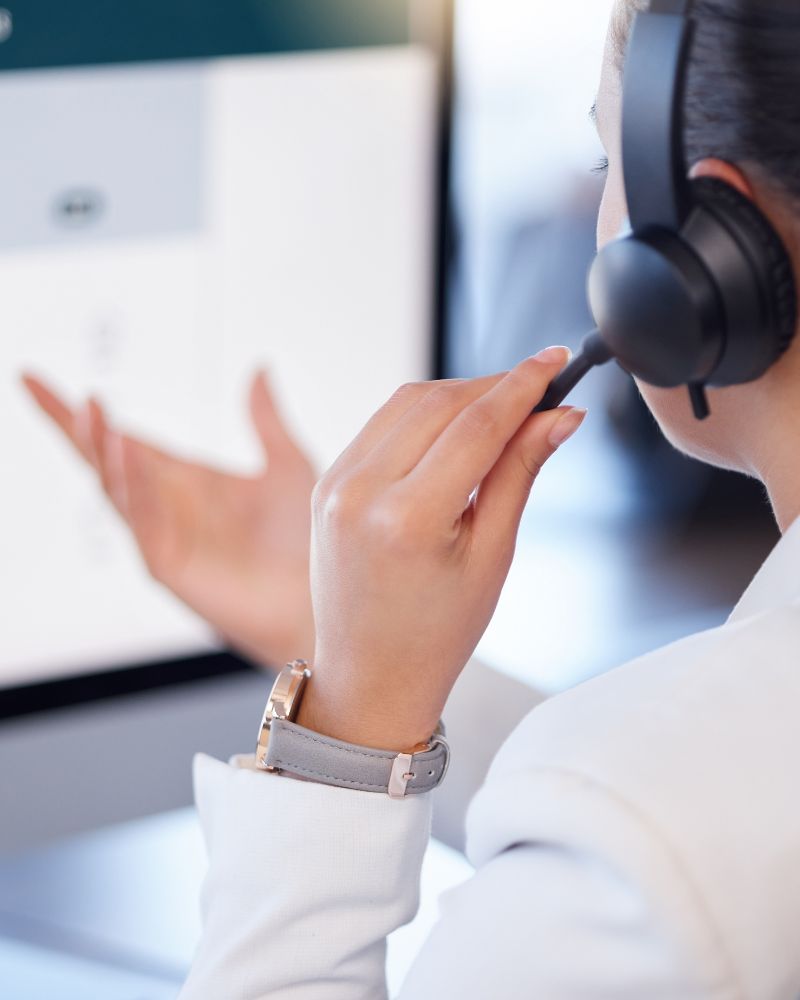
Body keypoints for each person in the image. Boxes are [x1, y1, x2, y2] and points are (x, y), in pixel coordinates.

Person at [25, 0, 800, 995]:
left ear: (710, 249)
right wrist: (338, 632)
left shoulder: (642, 843)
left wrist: (337, 736)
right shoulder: (662, 802)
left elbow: (651, 812)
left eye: (608, 167)